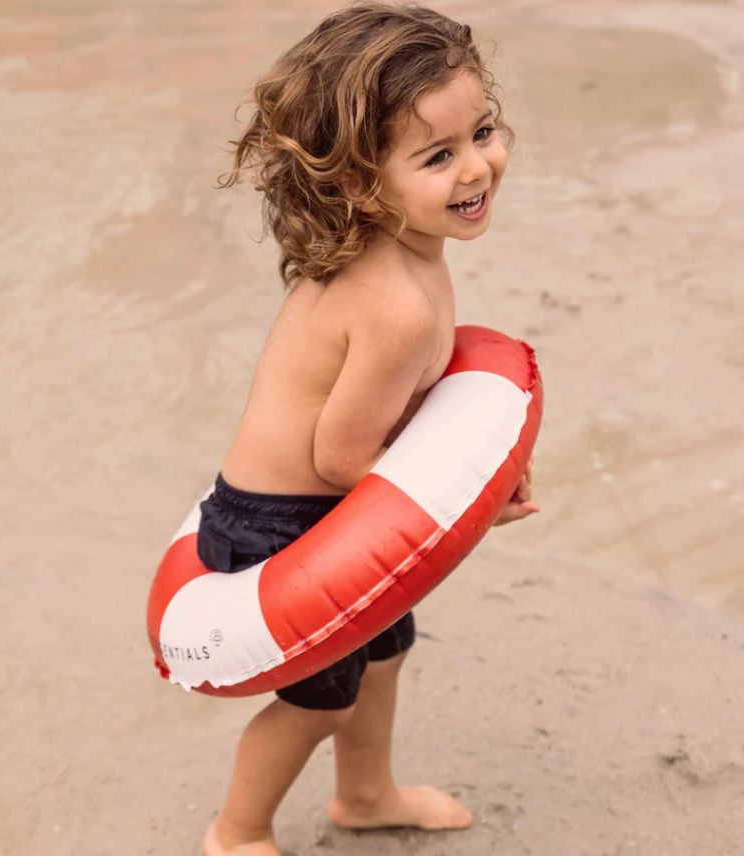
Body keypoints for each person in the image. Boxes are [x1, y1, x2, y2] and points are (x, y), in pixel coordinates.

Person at [198, 4, 539, 854]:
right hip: (279, 529)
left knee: (384, 656)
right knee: (320, 702)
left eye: (481, 132)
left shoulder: (405, 251)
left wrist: (487, 465)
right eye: (437, 156)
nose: (476, 166)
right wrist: (469, 499)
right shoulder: (393, 305)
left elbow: (392, 416)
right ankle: (236, 832)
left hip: (334, 511)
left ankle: (364, 794)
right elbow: (342, 453)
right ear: (357, 182)